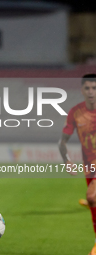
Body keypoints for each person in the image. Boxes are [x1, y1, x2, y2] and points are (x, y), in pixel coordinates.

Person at [58, 73, 96, 255]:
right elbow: (63, 140)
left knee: (92, 197)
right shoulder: (76, 112)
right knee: (92, 200)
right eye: (87, 88)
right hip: (88, 165)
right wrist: (66, 160)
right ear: (82, 90)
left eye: (94, 88)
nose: (91, 92)